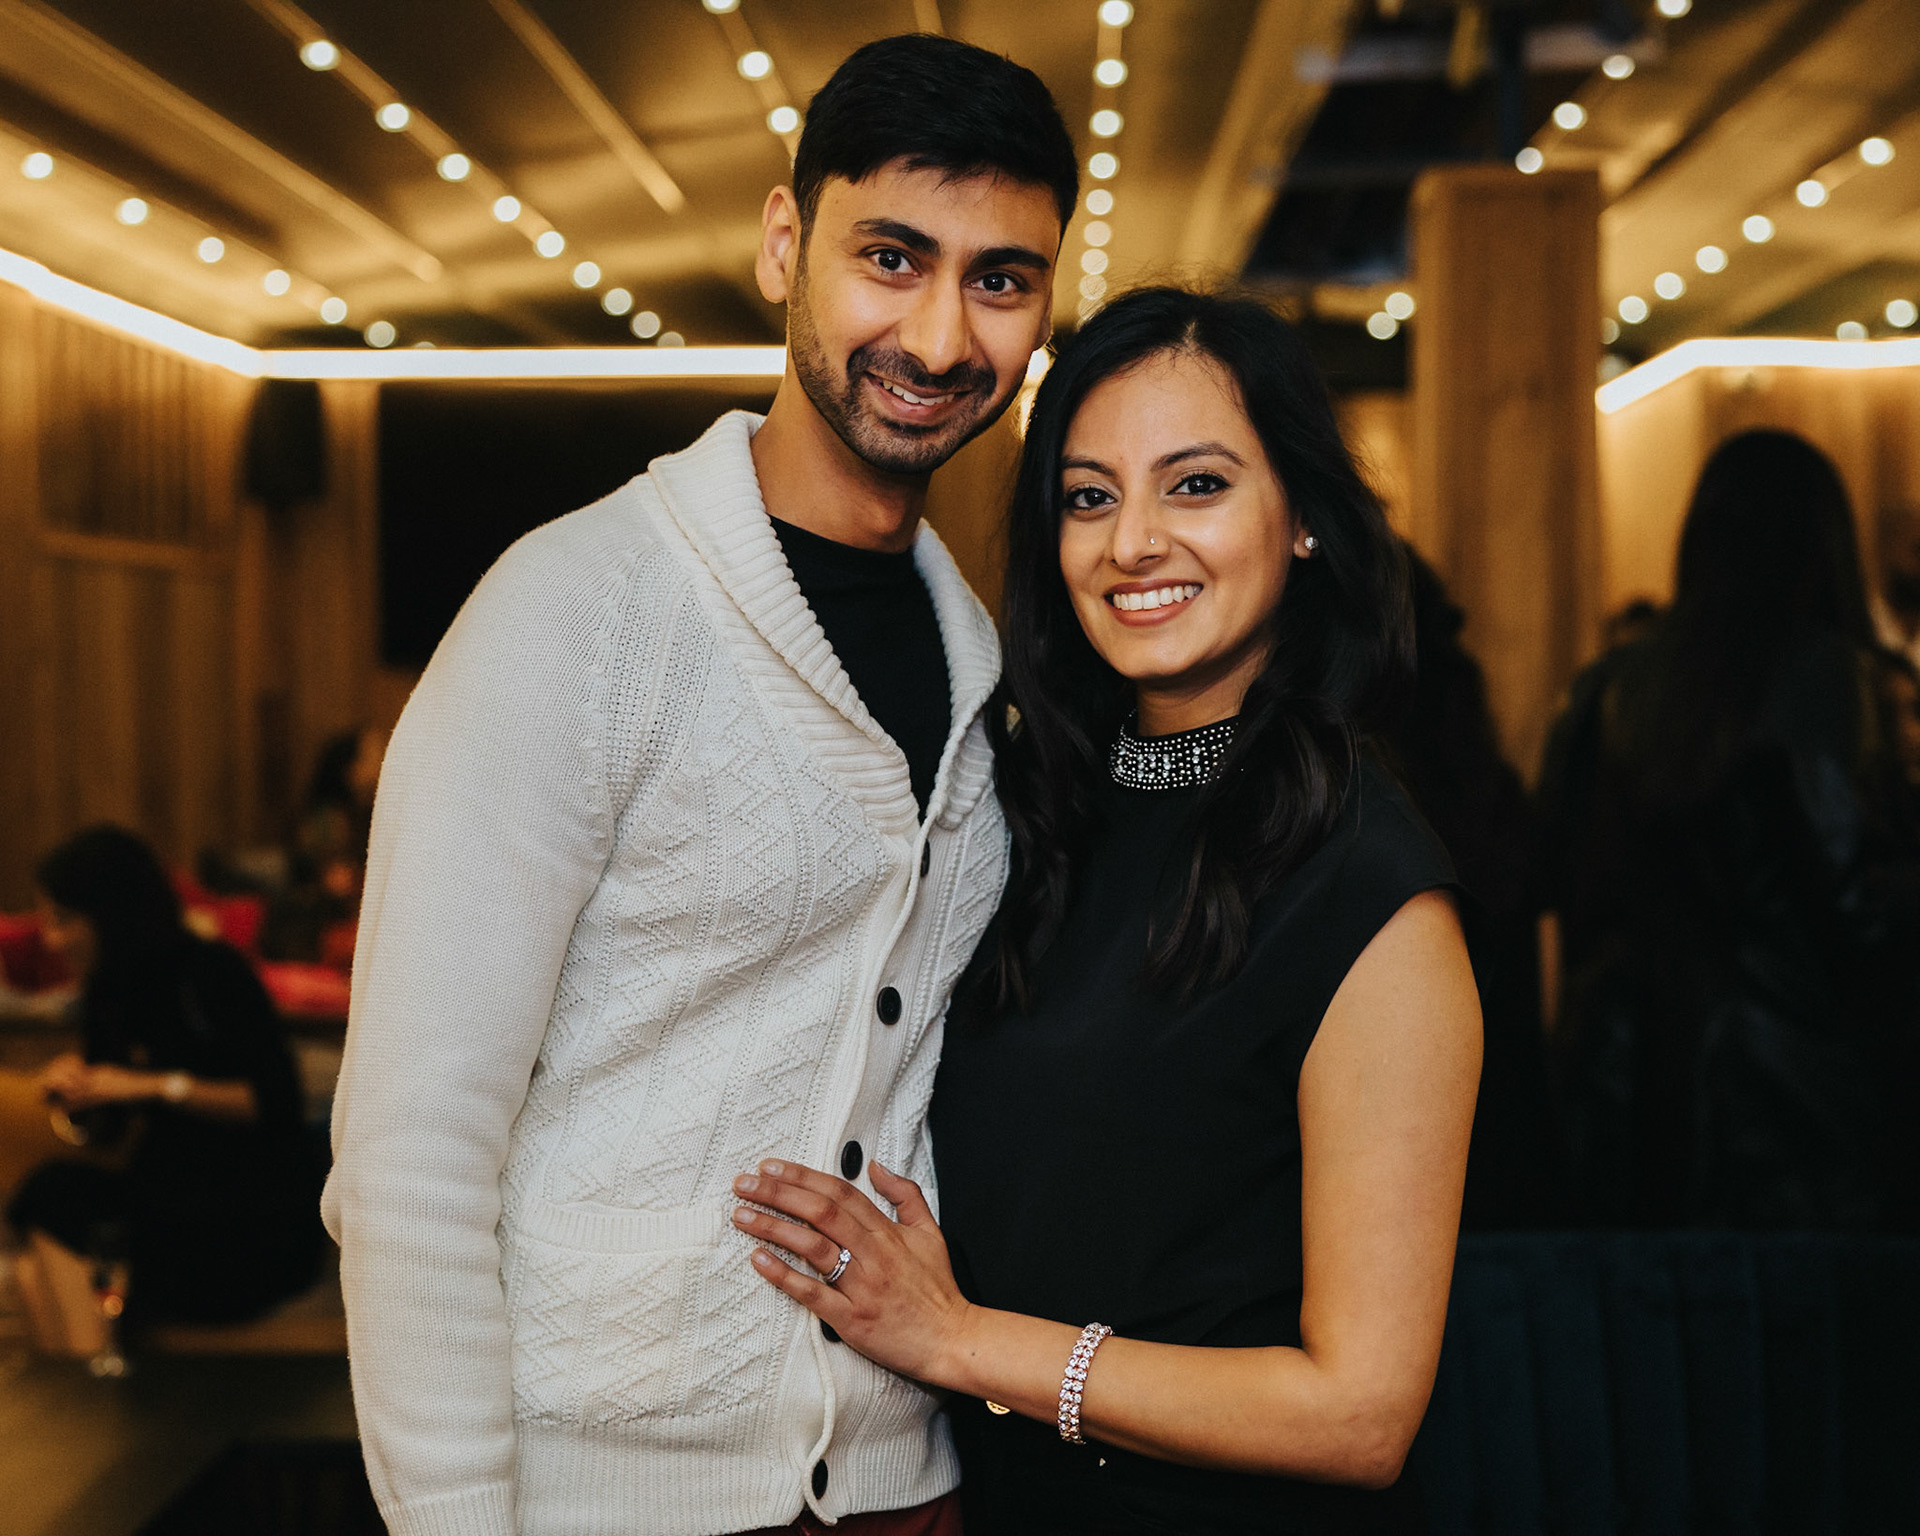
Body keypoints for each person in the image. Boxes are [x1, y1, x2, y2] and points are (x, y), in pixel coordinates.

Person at [322, 36, 1076, 1536]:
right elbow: (411, 1156)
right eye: (891, 258)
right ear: (785, 244)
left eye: (1000, 280)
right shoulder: (577, 610)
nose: (940, 336)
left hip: (906, 1486)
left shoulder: (985, 656)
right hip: (604, 1498)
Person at [728, 288, 1483, 1534]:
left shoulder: (1370, 891)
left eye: (1197, 486)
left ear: (1303, 519)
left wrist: (962, 1341)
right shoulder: (1021, 813)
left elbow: (1359, 1415)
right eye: (1089, 497)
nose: (1133, 541)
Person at [1537, 430, 1920, 1229]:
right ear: (1822, 543)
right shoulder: (1823, 677)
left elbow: (1562, 889)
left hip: (1626, 1092)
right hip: (1796, 1098)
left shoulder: (1606, 689)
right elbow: (1856, 904)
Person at [6, 826, 321, 1349]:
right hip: (168, 1196)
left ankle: (96, 1381)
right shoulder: (108, 992)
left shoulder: (211, 972)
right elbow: (109, 1127)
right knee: (38, 1234)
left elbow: (275, 1102)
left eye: (63, 920)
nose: (52, 939)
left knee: (53, 1209)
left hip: (251, 1212)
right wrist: (76, 1092)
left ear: (110, 914)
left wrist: (156, 1086)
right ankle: (94, 1377)